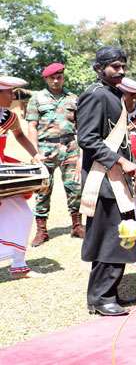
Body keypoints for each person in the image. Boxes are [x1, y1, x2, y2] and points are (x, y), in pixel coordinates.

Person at [77, 47, 136, 316]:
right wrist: (121, 161)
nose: (121, 71)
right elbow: (88, 139)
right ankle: (102, 298)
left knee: (115, 238)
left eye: (123, 66)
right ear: (99, 68)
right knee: (110, 239)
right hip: (103, 179)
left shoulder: (114, 95)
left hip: (115, 178)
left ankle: (105, 295)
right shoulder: (95, 96)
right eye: (115, 66)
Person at [26, 62, 83, 246]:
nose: (56, 81)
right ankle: (42, 231)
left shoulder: (73, 98)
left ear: (63, 77)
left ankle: (77, 226)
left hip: (70, 147)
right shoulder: (37, 98)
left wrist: (81, 152)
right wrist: (34, 153)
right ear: (46, 79)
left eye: (59, 77)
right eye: (52, 78)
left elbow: (80, 127)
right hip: (45, 150)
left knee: (75, 188)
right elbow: (32, 126)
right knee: (43, 189)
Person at [0, 75, 44, 279]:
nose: (12, 96)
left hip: (4, 173)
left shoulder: (8, 116)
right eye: (8, 92)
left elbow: (18, 135)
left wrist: (35, 155)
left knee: (25, 214)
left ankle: (19, 265)